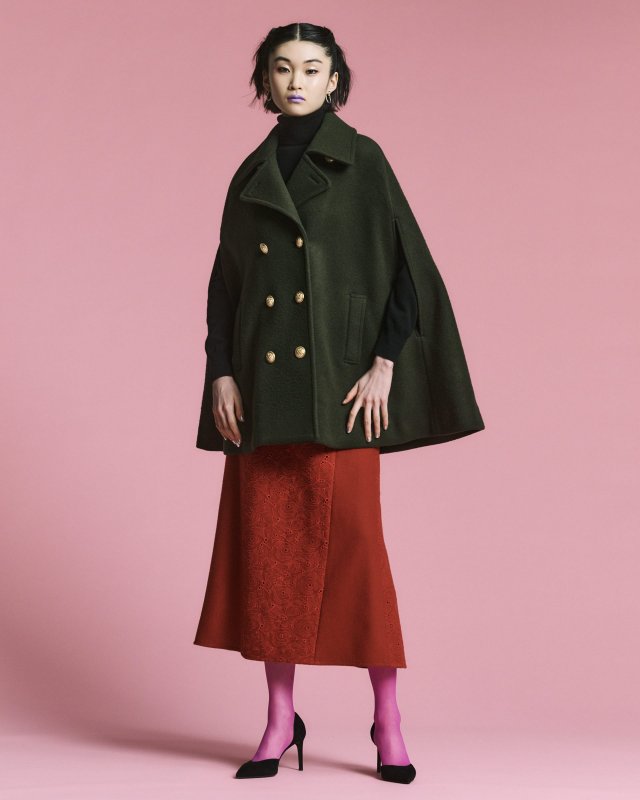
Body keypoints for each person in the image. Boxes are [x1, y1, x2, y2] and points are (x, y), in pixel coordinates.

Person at [193, 22, 485, 784]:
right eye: (282, 68)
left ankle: (388, 719)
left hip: (342, 392)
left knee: (358, 558)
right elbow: (226, 284)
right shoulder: (250, 173)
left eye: (311, 68)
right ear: (265, 80)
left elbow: (408, 270)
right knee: (270, 561)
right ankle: (278, 719)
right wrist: (221, 372)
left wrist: (385, 363)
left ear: (334, 80)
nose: (296, 81)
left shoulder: (363, 160)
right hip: (264, 397)